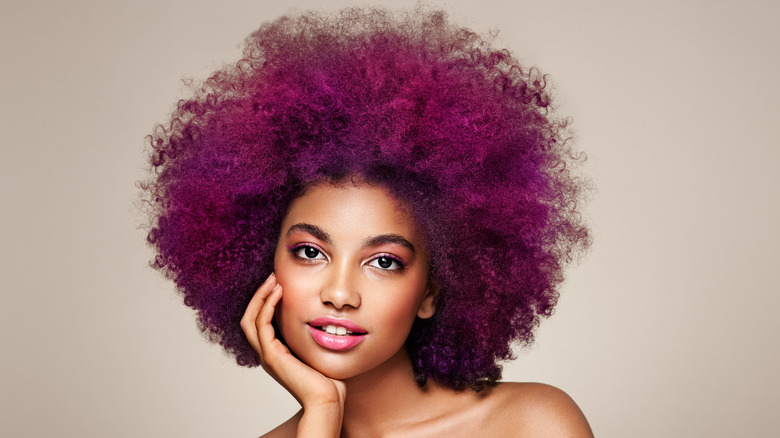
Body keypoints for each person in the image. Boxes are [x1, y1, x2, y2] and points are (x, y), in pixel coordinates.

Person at [143, 7, 592, 437]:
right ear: (264, 264)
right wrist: (321, 412)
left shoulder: (532, 424)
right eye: (310, 252)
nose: (340, 294)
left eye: (384, 262)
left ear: (431, 292)